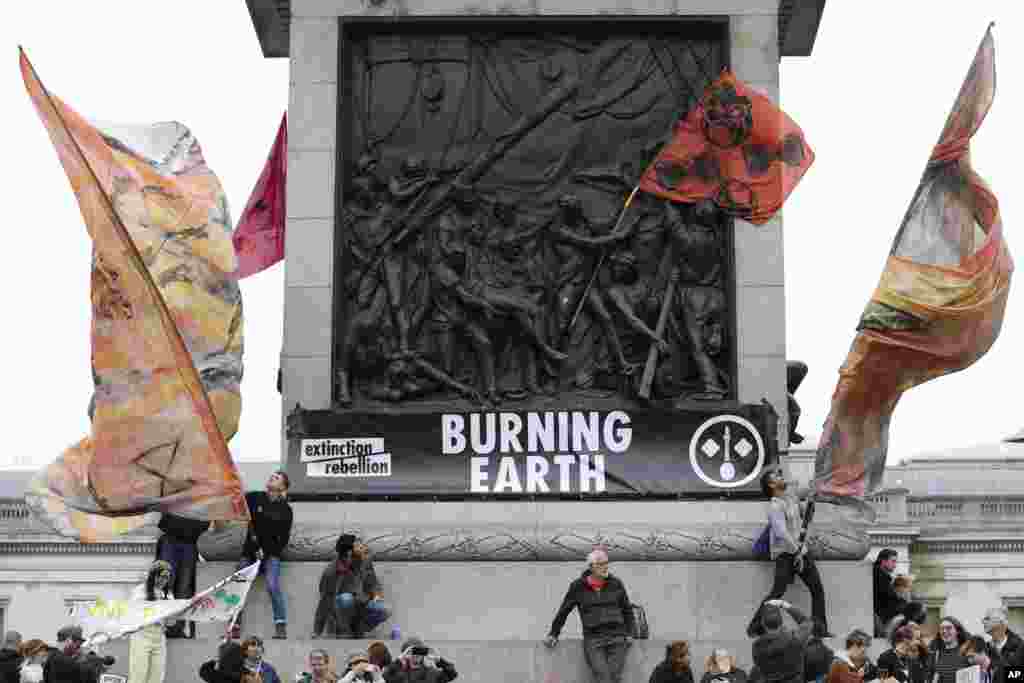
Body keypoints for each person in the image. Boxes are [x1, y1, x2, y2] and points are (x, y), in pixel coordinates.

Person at [748, 467, 831, 639]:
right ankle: (755, 626)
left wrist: (811, 500)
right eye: (777, 476)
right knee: (777, 592)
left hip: (801, 552)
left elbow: (806, 516)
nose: (781, 477)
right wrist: (796, 552)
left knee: (817, 589)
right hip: (786, 554)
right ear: (771, 485)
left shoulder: (791, 499)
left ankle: (819, 630)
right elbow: (780, 532)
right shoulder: (774, 506)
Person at [544, 549, 636, 683]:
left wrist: (630, 632)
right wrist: (553, 633)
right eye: (600, 564)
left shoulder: (616, 583)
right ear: (591, 567)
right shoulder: (578, 586)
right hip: (593, 639)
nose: (604, 567)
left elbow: (627, 609)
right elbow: (564, 611)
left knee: (615, 677)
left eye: (606, 563)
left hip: (617, 637)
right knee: (603, 676)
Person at [234, 471, 293, 640]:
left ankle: (280, 625)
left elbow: (283, 538)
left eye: (276, 478)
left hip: (271, 556)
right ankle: (234, 624)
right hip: (249, 553)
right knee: (238, 585)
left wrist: (266, 553)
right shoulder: (254, 497)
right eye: (271, 476)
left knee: (272, 585)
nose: (271, 478)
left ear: (282, 487)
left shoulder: (285, 510)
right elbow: (238, 502)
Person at [315, 535, 390, 639]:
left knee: (385, 610)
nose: (364, 547)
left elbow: (373, 582)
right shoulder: (332, 571)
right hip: (341, 609)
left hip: (361, 603)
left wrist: (377, 595)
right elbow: (324, 602)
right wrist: (317, 631)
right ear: (349, 552)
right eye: (359, 545)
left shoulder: (365, 561)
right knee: (346, 599)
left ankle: (359, 628)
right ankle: (344, 631)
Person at [156, 512, 210, 638]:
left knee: (184, 586)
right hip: (172, 539)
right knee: (165, 583)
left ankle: (178, 626)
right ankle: (163, 623)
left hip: (189, 541)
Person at [129, 560, 175, 683]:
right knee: (138, 676)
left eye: (167, 578)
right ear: (153, 575)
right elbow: (135, 612)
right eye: (162, 576)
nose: (164, 580)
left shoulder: (169, 595)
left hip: (159, 638)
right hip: (141, 636)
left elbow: (171, 622)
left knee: (157, 677)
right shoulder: (139, 591)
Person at [751, 599, 814, 683]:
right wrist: (784, 604)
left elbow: (758, 667)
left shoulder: (756, 646)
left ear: (763, 624)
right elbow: (807, 623)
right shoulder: (794, 640)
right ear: (781, 622)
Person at [874, 550, 923, 637]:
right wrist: (902, 600)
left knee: (916, 608)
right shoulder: (880, 575)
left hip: (887, 614)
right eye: (893, 561)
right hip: (885, 614)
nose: (895, 565)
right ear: (883, 561)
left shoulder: (882, 575)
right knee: (917, 607)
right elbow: (888, 597)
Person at [926, 617, 990, 683]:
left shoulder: (967, 652)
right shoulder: (935, 654)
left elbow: (983, 669)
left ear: (957, 631)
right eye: (942, 629)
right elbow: (929, 678)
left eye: (949, 628)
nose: (944, 631)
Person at [382, 638, 457, 683]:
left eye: (419, 651)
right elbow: (384, 677)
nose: (416, 655)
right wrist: (399, 660)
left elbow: (452, 674)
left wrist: (439, 660)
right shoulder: (399, 675)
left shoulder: (432, 673)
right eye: (413, 652)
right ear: (405, 654)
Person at [982, 608, 1024, 683]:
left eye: (987, 619)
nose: (983, 622)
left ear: (1000, 623)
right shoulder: (985, 648)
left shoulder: (1019, 647)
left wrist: (993, 667)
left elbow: (1020, 676)